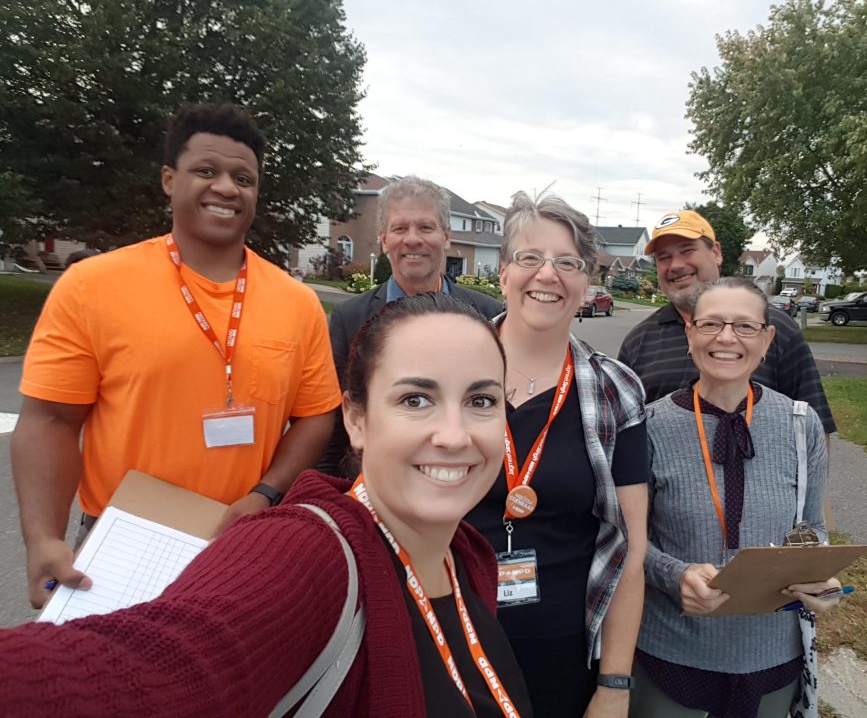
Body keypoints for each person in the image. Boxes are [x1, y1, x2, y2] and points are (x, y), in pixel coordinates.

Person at [0, 294, 533, 718]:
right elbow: (151, 668)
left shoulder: (464, 555)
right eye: (415, 400)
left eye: (480, 401)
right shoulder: (305, 554)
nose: (454, 435)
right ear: (357, 420)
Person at [12, 104, 341, 609]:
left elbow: (316, 414)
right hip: (120, 540)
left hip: (240, 538)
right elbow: (51, 420)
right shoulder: (94, 286)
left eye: (243, 177)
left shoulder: (297, 303)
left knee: (237, 686)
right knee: (111, 682)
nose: (227, 187)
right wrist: (44, 539)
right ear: (169, 179)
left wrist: (266, 494)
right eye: (206, 171)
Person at [464, 192, 649, 718]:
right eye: (530, 258)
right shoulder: (449, 367)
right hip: (445, 632)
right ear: (503, 274)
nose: (548, 274)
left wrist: (614, 684)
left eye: (567, 263)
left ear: (587, 283)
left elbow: (630, 549)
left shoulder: (617, 391)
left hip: (563, 654)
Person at [632, 278, 841, 718]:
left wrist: (820, 576)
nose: (726, 338)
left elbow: (811, 528)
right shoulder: (648, 428)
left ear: (767, 340)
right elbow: (625, 539)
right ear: (690, 334)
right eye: (711, 324)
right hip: (672, 648)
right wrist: (675, 575)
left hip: (771, 653)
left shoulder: (801, 426)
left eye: (745, 327)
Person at [320, 176, 503, 476]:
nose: (413, 239)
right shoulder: (349, 320)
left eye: (426, 227)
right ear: (384, 239)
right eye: (400, 228)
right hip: (376, 486)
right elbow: (335, 427)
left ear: (446, 236)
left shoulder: (488, 316)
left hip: (461, 477)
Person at [617, 210, 836, 435]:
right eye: (664, 257)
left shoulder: (773, 328)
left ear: (716, 253)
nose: (675, 265)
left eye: (687, 250)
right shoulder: (638, 342)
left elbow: (814, 429)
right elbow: (624, 436)